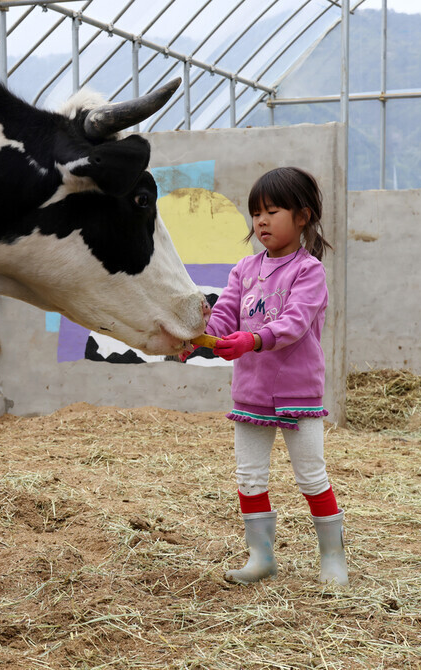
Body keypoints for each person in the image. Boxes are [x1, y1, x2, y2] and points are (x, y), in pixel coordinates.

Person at [184, 166, 348, 586]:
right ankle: (261, 557)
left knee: (310, 475)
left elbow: (293, 324)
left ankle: (333, 559)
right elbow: (223, 316)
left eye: (272, 211)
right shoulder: (243, 269)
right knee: (248, 476)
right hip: (252, 394)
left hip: (299, 393)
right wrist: (197, 338)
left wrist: (251, 341)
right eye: (256, 212)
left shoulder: (309, 271)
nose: (261, 221)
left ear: (303, 216)